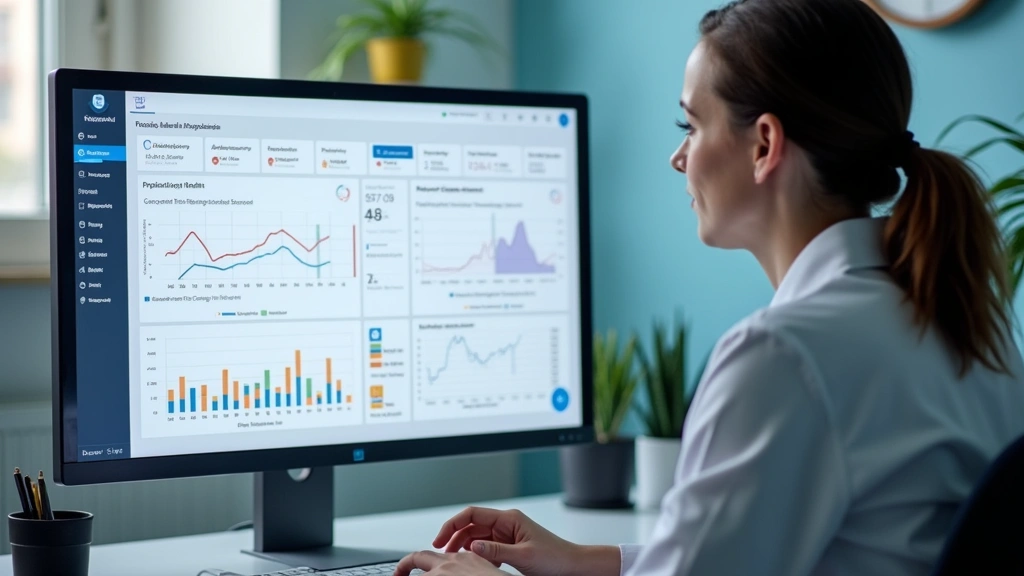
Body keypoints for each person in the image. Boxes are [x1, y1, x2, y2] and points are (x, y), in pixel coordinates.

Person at [394, 0, 1024, 574]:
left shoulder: (783, 356)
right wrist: (588, 559)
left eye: (690, 125)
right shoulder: (968, 325)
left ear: (764, 145)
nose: (679, 158)